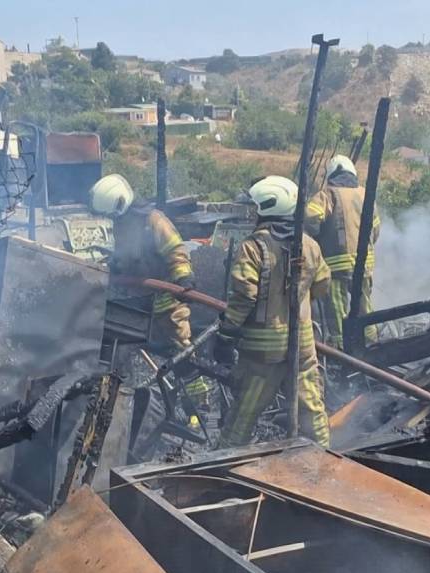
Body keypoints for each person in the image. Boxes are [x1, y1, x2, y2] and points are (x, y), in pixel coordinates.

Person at [214, 176, 332, 448]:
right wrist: (298, 299)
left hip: (261, 354)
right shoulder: (309, 245)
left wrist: (226, 334)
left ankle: (221, 469)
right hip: (302, 346)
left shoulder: (254, 247)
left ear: (267, 207)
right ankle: (329, 461)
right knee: (312, 413)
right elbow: (323, 285)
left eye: (256, 208)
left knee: (242, 418)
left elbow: (244, 296)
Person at [88, 174, 210, 400]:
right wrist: (115, 265)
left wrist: (183, 277)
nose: (110, 218)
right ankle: (122, 396)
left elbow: (175, 250)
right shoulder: (122, 222)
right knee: (121, 345)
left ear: (119, 204)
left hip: (167, 300)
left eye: (110, 214)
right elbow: (127, 255)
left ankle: (199, 403)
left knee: (181, 350)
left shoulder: (154, 220)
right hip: (136, 300)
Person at [305, 154, 379, 348]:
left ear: (332, 175)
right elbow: (376, 228)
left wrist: (316, 239)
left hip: (337, 266)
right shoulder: (365, 194)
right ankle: (371, 343)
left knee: (337, 308)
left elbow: (310, 218)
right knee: (364, 305)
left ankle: (341, 349)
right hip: (365, 264)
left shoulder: (327, 194)